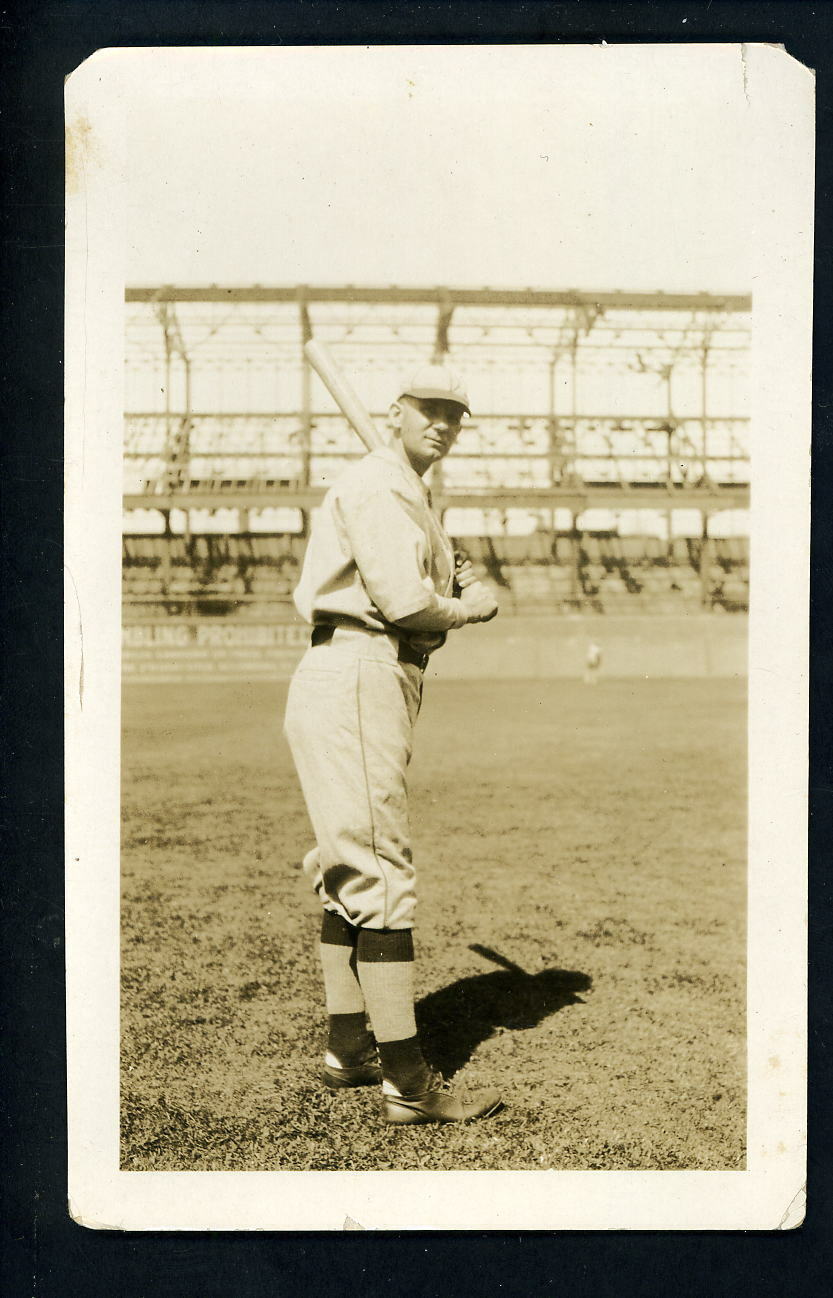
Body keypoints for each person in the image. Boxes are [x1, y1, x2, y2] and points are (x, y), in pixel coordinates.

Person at [283, 363, 503, 1125]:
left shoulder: (406, 493)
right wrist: (472, 606)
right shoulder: (379, 486)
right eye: (428, 409)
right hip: (359, 667)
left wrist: (448, 566)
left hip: (365, 676)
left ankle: (349, 1049)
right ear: (395, 413)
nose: (442, 423)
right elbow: (406, 603)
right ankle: (407, 1082)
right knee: (379, 867)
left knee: (350, 862)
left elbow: (416, 579)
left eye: (455, 413)